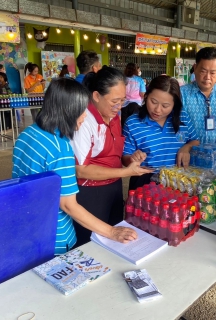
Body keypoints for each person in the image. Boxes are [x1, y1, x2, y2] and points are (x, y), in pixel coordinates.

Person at [12, 78, 137, 255]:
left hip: (28, 225)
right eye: (81, 111)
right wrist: (111, 231)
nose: (85, 116)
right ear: (66, 111)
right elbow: (68, 205)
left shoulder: (28, 133)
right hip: (54, 235)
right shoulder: (59, 147)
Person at [70, 67, 152, 248]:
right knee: (90, 245)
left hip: (113, 188)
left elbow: (116, 156)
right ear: (97, 96)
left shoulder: (113, 115)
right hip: (91, 193)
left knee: (115, 241)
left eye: (123, 100)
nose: (120, 106)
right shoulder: (85, 121)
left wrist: (131, 160)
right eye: (115, 101)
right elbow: (81, 170)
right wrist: (124, 172)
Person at [122, 75, 200, 190]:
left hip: (177, 181)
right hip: (145, 182)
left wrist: (187, 147)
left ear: (174, 105)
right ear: (146, 96)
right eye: (153, 102)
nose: (157, 110)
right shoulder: (133, 123)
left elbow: (195, 140)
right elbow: (124, 158)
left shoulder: (183, 117)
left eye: (165, 106)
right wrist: (132, 158)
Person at [180, 47, 216, 143]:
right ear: (195, 68)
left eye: (212, 73)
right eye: (203, 71)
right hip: (189, 154)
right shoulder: (181, 94)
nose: (207, 77)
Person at [121, 63, 146, 127]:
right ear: (135, 70)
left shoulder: (122, 79)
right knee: (134, 124)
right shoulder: (140, 80)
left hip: (124, 104)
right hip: (136, 104)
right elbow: (142, 94)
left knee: (124, 123)